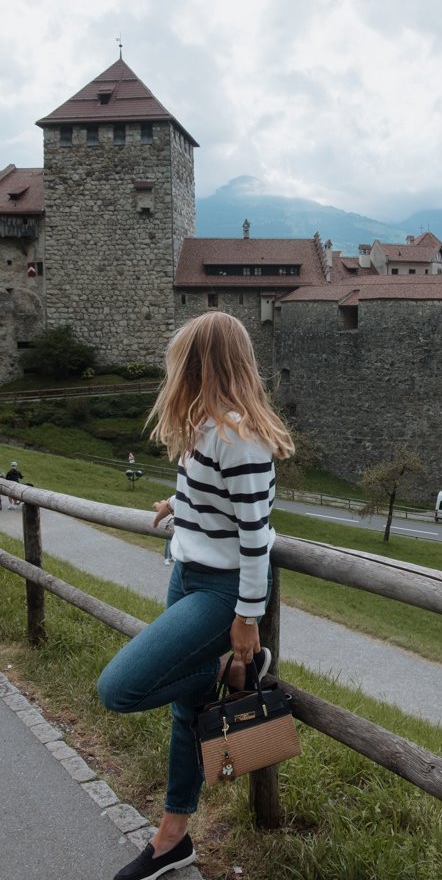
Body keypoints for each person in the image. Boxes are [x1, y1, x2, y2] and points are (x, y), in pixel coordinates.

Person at [97, 311, 294, 880]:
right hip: (186, 575)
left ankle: (239, 665)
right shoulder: (207, 428)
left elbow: (256, 537)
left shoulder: (241, 437)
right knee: (187, 709)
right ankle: (172, 838)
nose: (173, 370)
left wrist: (247, 621)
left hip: (224, 593)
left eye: (181, 359)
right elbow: (216, 508)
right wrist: (175, 507)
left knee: (120, 688)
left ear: (203, 363)